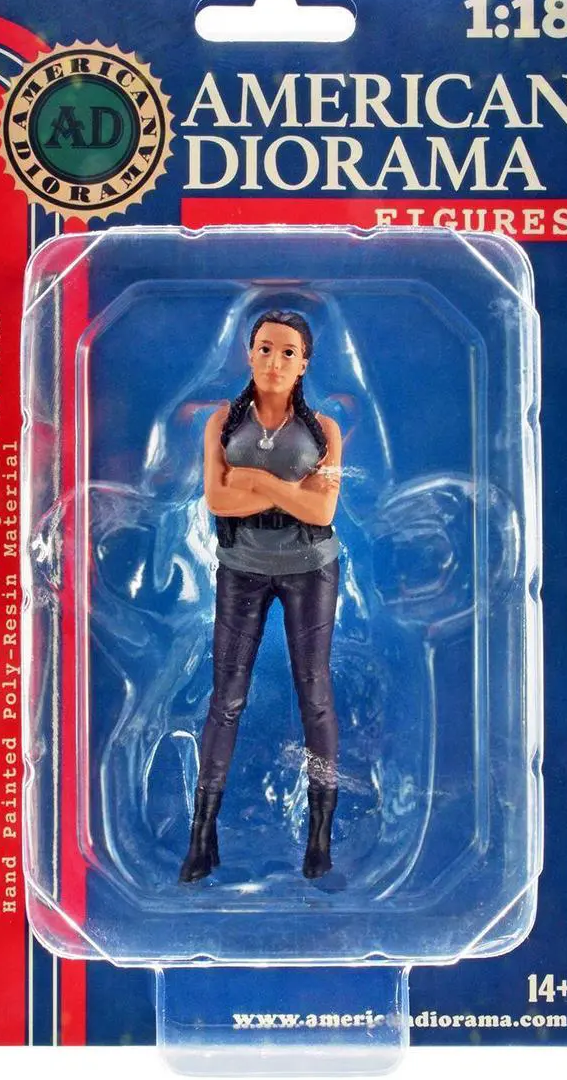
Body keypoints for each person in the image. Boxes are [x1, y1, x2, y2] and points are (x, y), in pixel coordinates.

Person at [179, 310, 342, 883]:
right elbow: (217, 501)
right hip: (241, 567)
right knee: (226, 698)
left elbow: (321, 511)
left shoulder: (323, 430)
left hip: (310, 568)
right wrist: (290, 489)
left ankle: (319, 837)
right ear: (250, 355)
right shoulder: (224, 423)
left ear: (304, 365)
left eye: (288, 352)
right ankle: (202, 835)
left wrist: (255, 480)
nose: (276, 361)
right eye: (266, 348)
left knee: (314, 693)